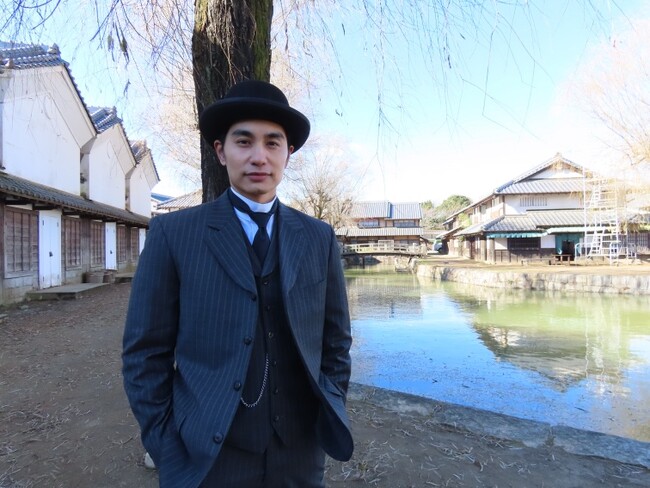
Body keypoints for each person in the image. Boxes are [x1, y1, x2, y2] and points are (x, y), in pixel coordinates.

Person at [122, 80, 354, 488]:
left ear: (288, 153)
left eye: (273, 143)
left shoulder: (318, 237)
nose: (259, 156)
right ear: (220, 151)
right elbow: (145, 353)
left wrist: (330, 402)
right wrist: (166, 446)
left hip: (300, 452)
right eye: (244, 142)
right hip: (207, 454)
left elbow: (335, 341)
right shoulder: (175, 234)